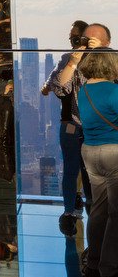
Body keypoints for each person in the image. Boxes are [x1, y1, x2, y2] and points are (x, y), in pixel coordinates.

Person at [44, 20, 95, 235]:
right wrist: (48, 84)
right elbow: (55, 84)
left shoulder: (99, 59)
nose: (72, 40)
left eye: (77, 36)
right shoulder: (67, 59)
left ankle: (92, 208)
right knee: (71, 170)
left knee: (90, 171)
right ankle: (69, 212)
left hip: (93, 126)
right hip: (71, 124)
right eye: (71, 37)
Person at [75, 46, 118, 277]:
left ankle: (92, 264)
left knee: (99, 210)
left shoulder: (84, 90)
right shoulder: (113, 91)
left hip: (90, 152)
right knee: (116, 213)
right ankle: (110, 268)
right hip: (114, 154)